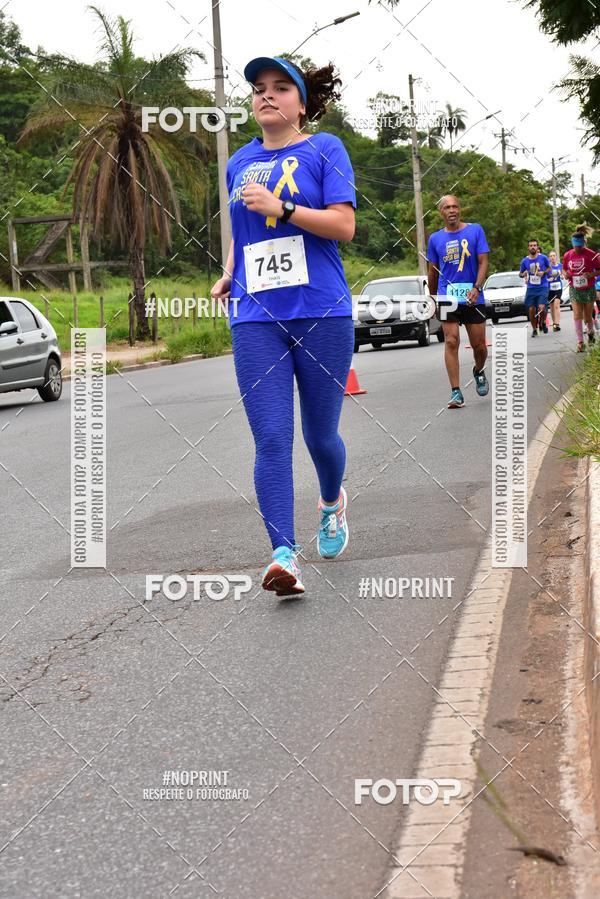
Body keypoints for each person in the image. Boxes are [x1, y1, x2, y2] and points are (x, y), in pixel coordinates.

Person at [210, 56, 357, 597]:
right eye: (258, 89)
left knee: (320, 435)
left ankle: (331, 501)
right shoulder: (239, 163)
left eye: (279, 88)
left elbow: (343, 226)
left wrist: (283, 206)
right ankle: (283, 556)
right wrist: (230, 271)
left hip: (322, 311)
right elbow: (241, 230)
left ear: (301, 101)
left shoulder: (325, 150)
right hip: (255, 317)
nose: (266, 96)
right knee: (271, 438)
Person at [427, 195, 490, 409]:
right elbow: (433, 271)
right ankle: (456, 392)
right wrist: (433, 298)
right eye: (447, 207)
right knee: (451, 340)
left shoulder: (475, 230)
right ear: (441, 212)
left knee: (479, 346)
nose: (452, 210)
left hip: (473, 296)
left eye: (455, 206)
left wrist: (477, 287)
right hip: (447, 296)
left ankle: (478, 370)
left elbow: (483, 262)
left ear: (459, 209)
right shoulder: (435, 239)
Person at [562, 223, 600, 352]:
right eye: (575, 246)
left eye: (579, 246)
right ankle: (580, 342)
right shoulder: (568, 255)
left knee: (587, 317)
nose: (577, 249)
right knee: (577, 315)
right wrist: (566, 274)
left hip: (588, 288)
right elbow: (564, 268)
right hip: (574, 288)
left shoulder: (592, 255)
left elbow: (599, 269)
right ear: (573, 244)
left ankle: (591, 335)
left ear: (583, 243)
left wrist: (591, 274)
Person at [519, 239, 551, 336]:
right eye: (531, 245)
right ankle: (534, 329)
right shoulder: (525, 261)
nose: (533, 247)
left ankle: (542, 322)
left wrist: (544, 272)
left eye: (535, 245)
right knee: (531, 310)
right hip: (531, 288)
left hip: (543, 286)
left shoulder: (543, 258)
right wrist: (523, 273)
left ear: (537, 247)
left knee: (541, 307)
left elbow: (549, 268)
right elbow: (520, 274)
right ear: (528, 247)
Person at [547, 249, 563, 331]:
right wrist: (548, 280)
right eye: (551, 256)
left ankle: (557, 324)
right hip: (550, 289)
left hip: (558, 288)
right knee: (552, 307)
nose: (552, 257)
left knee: (557, 305)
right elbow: (544, 278)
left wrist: (562, 275)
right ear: (549, 258)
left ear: (556, 257)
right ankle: (554, 324)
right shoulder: (548, 268)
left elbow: (564, 275)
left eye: (554, 256)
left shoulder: (560, 265)